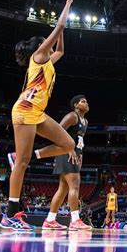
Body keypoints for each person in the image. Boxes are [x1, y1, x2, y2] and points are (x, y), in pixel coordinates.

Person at [1, 0, 76, 231]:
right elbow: (59, 28)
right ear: (40, 46)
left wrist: (61, 33)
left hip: (38, 113)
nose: (50, 46)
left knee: (68, 144)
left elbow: (62, 50)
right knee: (21, 165)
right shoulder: (39, 56)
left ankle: (26, 156)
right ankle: (11, 214)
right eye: (47, 43)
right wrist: (68, 3)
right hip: (24, 110)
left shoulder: (49, 59)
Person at [43, 95, 92, 231]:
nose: (86, 103)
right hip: (66, 153)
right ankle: (75, 220)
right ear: (76, 105)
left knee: (63, 188)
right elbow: (57, 132)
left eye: (86, 101)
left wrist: (80, 154)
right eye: (83, 101)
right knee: (74, 185)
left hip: (75, 154)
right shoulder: (72, 116)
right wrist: (69, 148)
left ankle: (50, 220)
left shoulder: (85, 121)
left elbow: (79, 141)